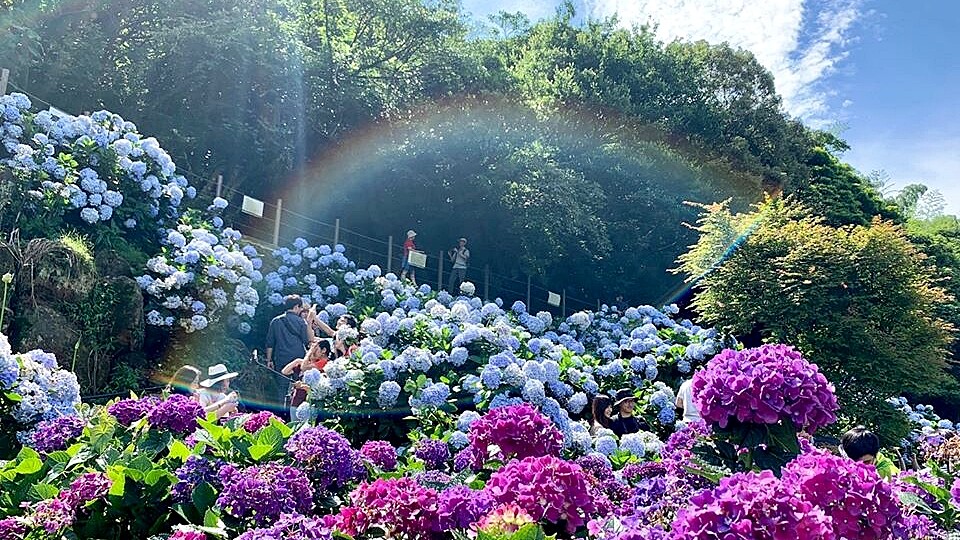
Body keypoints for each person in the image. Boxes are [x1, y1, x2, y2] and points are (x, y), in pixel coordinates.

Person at [265, 295, 317, 407]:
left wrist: (269, 360)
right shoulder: (301, 322)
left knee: (282, 388)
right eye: (300, 308)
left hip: (281, 358)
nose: (301, 310)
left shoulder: (276, 321)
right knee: (299, 388)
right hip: (298, 359)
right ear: (296, 307)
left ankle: (280, 414)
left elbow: (270, 343)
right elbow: (307, 341)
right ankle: (295, 412)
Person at [282, 339, 331, 421]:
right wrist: (298, 361)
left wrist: (307, 355)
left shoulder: (324, 363)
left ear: (324, 350)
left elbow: (303, 368)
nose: (313, 352)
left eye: (315, 349)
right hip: (297, 401)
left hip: (309, 403)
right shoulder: (306, 364)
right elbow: (285, 371)